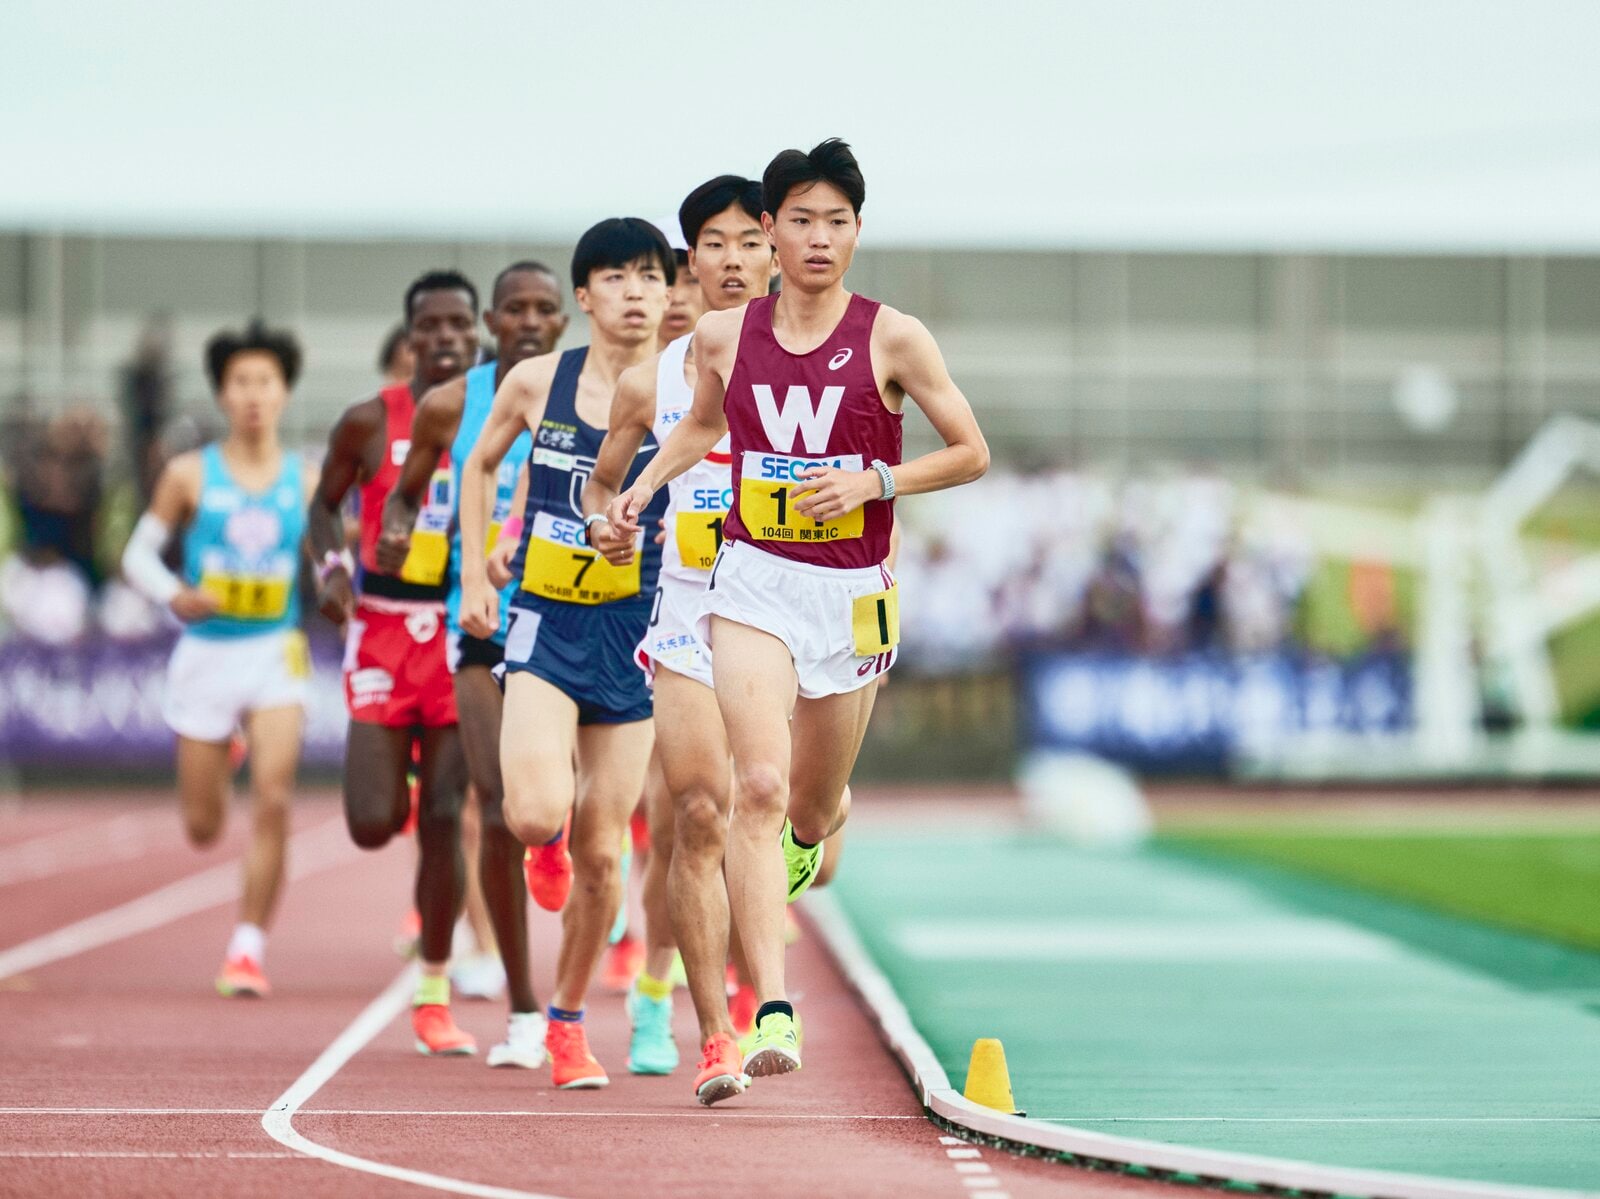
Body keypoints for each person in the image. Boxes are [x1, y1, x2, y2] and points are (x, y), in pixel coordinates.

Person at [606, 140, 989, 1083]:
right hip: (752, 579)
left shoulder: (894, 336)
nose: (820, 239)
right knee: (756, 787)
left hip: (852, 595)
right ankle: (770, 1011)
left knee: (809, 809)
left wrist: (876, 480)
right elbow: (702, 424)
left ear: (857, 232)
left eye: (838, 222)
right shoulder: (724, 337)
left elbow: (970, 450)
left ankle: (811, 836)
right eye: (803, 221)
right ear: (773, 229)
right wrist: (642, 488)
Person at [459, 218, 673, 1089]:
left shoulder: (696, 389)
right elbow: (479, 467)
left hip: (638, 635)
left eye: (650, 276)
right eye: (615, 277)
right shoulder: (536, 381)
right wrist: (476, 571)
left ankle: (568, 1022)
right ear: (584, 296)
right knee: (534, 813)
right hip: (545, 622)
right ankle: (541, 840)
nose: (634, 292)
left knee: (605, 852)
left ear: (670, 292)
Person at [582, 174, 779, 1102]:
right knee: (695, 814)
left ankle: (794, 853)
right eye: (712, 246)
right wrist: (609, 521)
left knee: (798, 819)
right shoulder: (648, 382)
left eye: (748, 242)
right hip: (690, 612)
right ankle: (713, 1034)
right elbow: (603, 482)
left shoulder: (826, 362)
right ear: (688, 262)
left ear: (775, 249)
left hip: (793, 616)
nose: (729, 262)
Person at [377, 261, 568, 1068]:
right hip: (481, 619)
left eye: (543, 309)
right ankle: (524, 1008)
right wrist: (397, 531)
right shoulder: (451, 405)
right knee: (492, 804)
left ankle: (559, 843)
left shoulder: (597, 391)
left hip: (575, 618)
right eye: (513, 309)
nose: (528, 321)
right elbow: (406, 492)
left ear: (564, 321)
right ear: (492, 321)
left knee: (575, 817)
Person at [307, 270, 479, 1056]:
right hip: (379, 628)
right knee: (373, 822)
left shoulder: (499, 414)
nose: (446, 337)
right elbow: (322, 508)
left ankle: (434, 989)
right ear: (411, 338)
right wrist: (330, 570)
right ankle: (405, 776)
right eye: (431, 325)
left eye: (459, 325)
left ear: (477, 334)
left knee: (445, 815)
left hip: (459, 629)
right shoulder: (368, 421)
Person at [121, 321, 316, 998]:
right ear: (222, 394)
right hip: (206, 655)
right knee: (204, 827)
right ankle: (226, 748)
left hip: (275, 650)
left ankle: (247, 948)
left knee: (275, 797)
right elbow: (136, 555)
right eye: (241, 382)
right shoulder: (188, 473)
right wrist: (174, 594)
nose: (254, 395)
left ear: (284, 392)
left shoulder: (306, 478)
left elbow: (337, 553)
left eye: (266, 381)